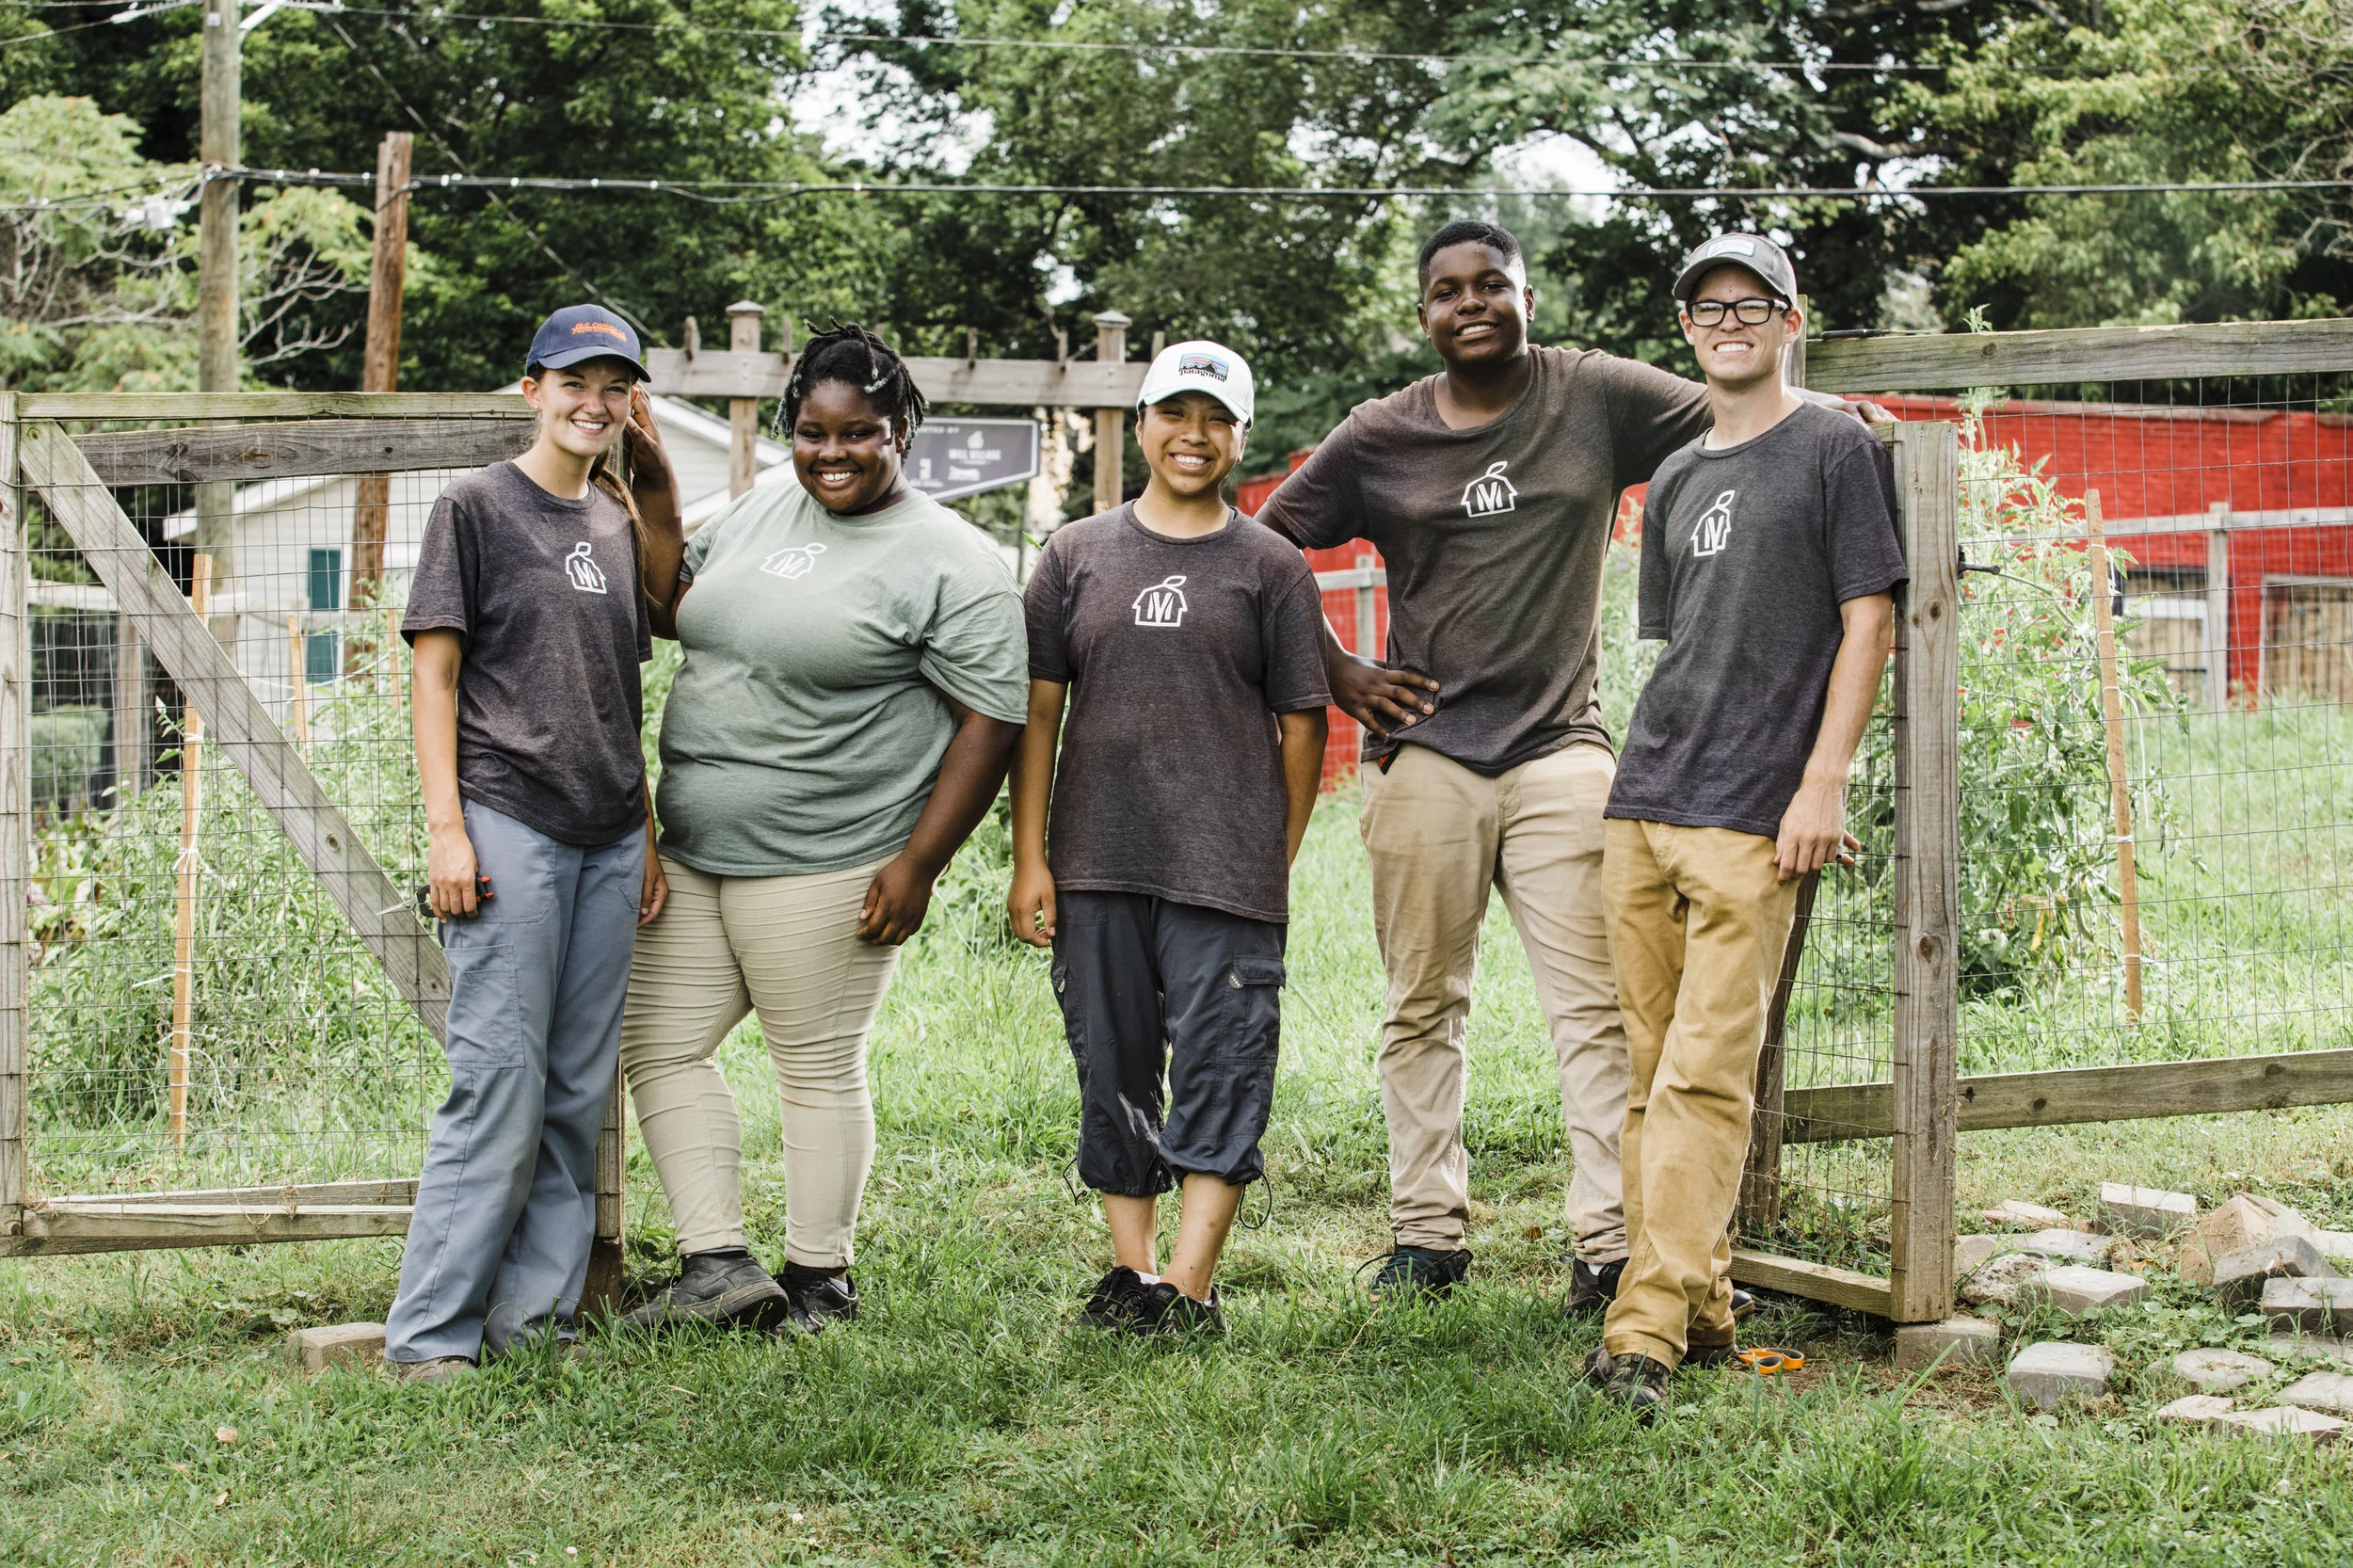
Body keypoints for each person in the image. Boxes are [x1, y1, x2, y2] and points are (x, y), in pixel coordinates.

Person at [1256, 219, 1882, 1304]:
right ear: (1423, 314)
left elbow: (1743, 411)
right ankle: (1426, 1233)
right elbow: (1261, 550)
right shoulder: (1379, 432)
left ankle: (1607, 1241)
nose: (1471, 304)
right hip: (1427, 756)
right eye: (1447, 291)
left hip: (1561, 749)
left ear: (1526, 298)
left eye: (1492, 284)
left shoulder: (1592, 393)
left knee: (1595, 1009)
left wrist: (1845, 421)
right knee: (1420, 1004)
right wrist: (1341, 673)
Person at [618, 324, 1029, 1336]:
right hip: (698, 849)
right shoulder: (767, 505)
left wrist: (921, 863)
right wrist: (662, 496)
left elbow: (995, 719)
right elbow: (676, 606)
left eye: (860, 435)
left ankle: (819, 1280)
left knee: (812, 1064)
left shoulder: (953, 560)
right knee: (657, 1044)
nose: (832, 454)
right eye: (812, 432)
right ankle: (716, 1263)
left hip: (829, 858)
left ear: (902, 435)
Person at [1582, 234, 1903, 1417]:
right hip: (1644, 797)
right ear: (1688, 331)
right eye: (1707, 306)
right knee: (1643, 1073)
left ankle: (1643, 1334)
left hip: (1750, 815)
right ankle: (1703, 1298)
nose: (1728, 321)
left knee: (1707, 1079)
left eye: (1750, 302)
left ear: (1788, 318)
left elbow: (1866, 622)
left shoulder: (1831, 446)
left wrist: (1822, 781)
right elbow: (1677, 643)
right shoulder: (1670, 479)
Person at [386, 304, 685, 1383]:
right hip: (508, 821)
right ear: (531, 389)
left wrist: (643, 832)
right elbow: (434, 677)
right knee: (498, 1084)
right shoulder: (475, 505)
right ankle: (429, 1336)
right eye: (574, 381)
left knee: (573, 1089)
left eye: (614, 385)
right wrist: (445, 829)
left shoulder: (614, 520)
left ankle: (539, 1321)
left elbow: (619, 692)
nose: (592, 402)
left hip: (610, 836)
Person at [1008, 342, 1331, 1335]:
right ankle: (1132, 1273)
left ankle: (1189, 1288)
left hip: (1222, 869)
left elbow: (1303, 725)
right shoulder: (1074, 555)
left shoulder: (1270, 566)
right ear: (1142, 422)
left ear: (1239, 436)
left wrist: (1269, 852)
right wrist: (1030, 856)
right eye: (1174, 414)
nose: (1194, 437)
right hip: (1098, 858)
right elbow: (1038, 712)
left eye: (1215, 420)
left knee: (1223, 1063)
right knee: (1111, 1061)